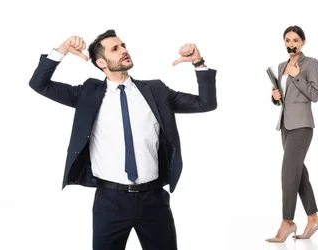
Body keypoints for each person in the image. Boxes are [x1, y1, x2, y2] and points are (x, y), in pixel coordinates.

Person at [28, 29, 217, 250]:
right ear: (101, 62)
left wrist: (198, 63)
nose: (124, 50)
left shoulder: (156, 90)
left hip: (153, 199)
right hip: (110, 202)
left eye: (123, 45)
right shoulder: (88, 93)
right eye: (115, 49)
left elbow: (206, 103)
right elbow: (39, 84)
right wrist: (61, 51)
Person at [266, 25, 318, 243]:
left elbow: (315, 95)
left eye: (296, 40)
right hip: (286, 125)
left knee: (288, 173)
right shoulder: (281, 65)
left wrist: (297, 76)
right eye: (288, 40)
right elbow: (283, 99)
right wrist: (275, 96)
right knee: (299, 174)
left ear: (303, 43)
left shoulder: (310, 63)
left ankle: (287, 222)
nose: (292, 44)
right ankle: (313, 219)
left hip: (302, 126)